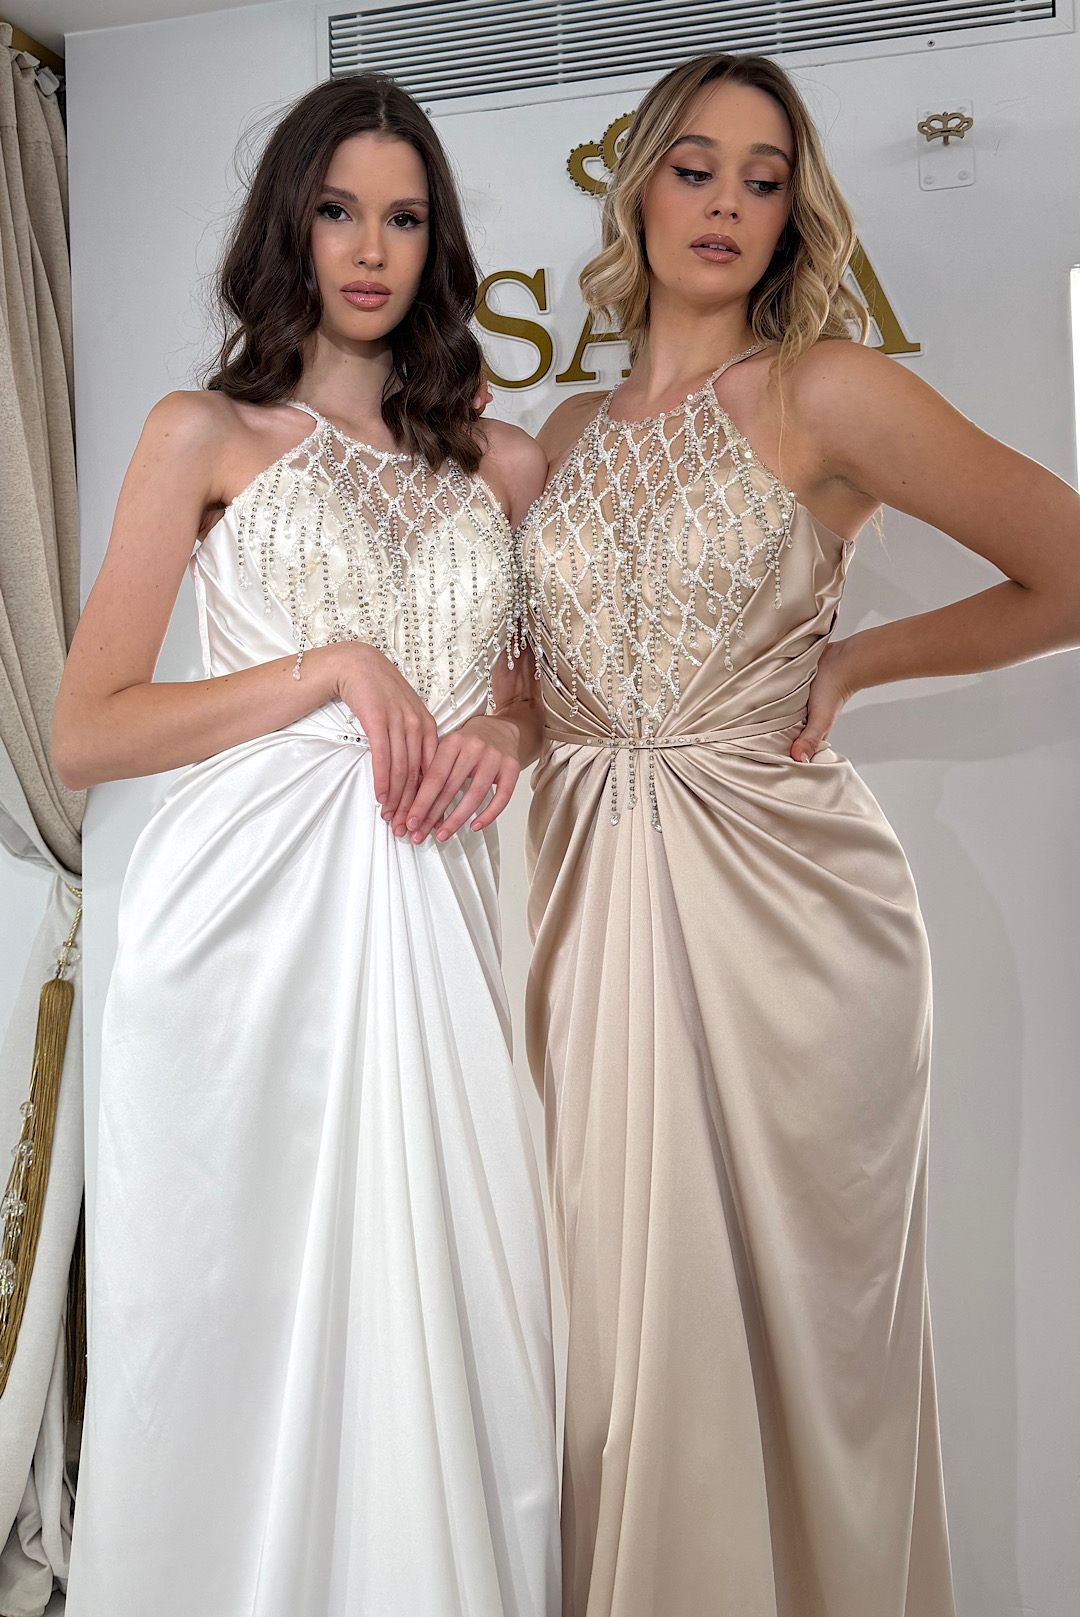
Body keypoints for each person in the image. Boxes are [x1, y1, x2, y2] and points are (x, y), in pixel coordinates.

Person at [521, 51, 1080, 1617]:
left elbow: (1069, 564)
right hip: (574, 908)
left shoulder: (823, 391)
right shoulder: (564, 429)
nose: (727, 204)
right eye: (696, 168)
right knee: (595, 1340)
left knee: (784, 1341)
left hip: (782, 922)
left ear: (793, 217)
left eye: (764, 181)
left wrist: (858, 660)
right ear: (637, 187)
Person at [54, 74, 559, 1617]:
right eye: (340, 209)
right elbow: (87, 728)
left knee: (468, 1313)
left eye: (404, 217)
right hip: (247, 950)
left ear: (436, 242)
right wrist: (328, 666)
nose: (371, 247)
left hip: (448, 928)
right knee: (238, 1327)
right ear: (291, 222)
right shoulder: (202, 432)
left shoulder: (503, 466)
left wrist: (509, 735)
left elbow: (528, 694)